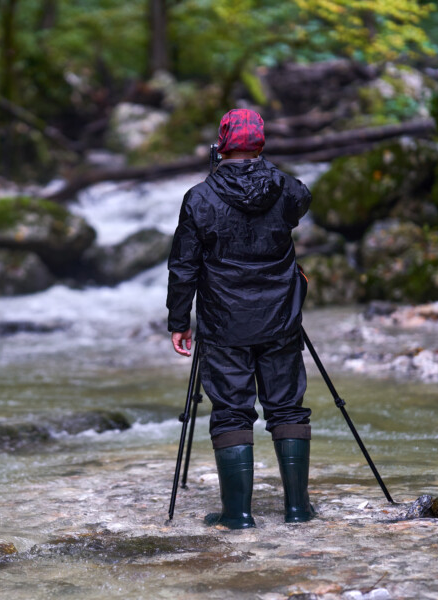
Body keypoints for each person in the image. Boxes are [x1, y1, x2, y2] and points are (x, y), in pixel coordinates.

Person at [166, 108, 314, 528]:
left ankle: (239, 515)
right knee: (287, 408)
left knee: (232, 411)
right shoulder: (285, 188)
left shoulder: (200, 198)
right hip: (281, 318)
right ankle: (297, 510)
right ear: (261, 144)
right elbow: (300, 199)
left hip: (224, 322)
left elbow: (183, 267)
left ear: (222, 144)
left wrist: (180, 321)